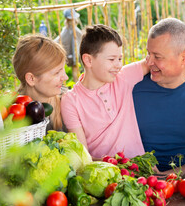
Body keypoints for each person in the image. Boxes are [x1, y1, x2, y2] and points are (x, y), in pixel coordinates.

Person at [132, 18, 185, 172]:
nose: (149, 62)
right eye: (148, 54)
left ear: (184, 57)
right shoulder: (133, 87)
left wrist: (164, 177)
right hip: (141, 180)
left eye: (158, 57)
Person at [60, 24, 147, 159]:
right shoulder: (71, 101)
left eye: (120, 59)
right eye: (112, 59)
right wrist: (116, 165)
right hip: (106, 175)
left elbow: (156, 59)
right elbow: (83, 156)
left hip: (142, 173)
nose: (118, 65)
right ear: (88, 60)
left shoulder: (124, 77)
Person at [12, 34, 69, 131]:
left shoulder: (68, 101)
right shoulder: (14, 116)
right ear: (31, 79)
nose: (66, 77)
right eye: (56, 73)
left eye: (63, 69)